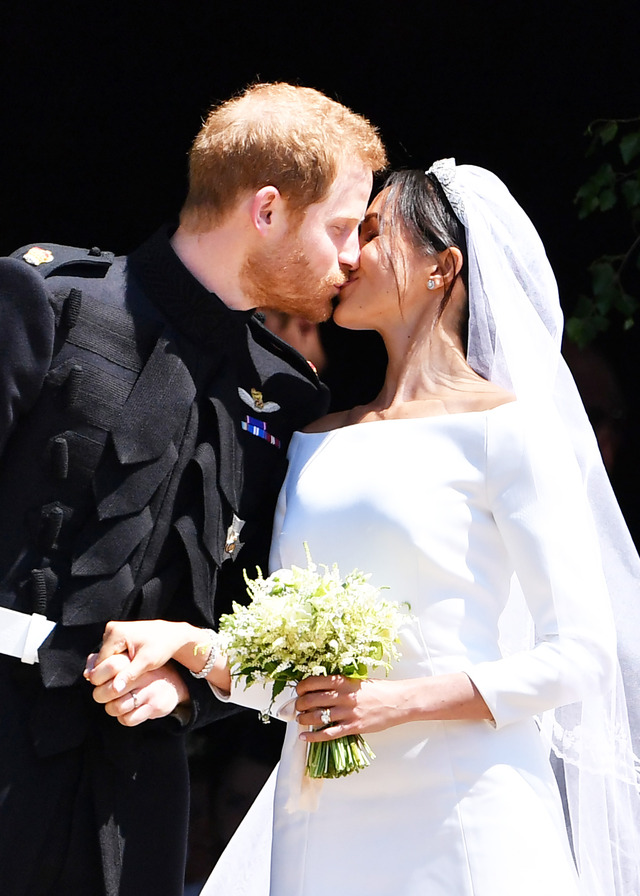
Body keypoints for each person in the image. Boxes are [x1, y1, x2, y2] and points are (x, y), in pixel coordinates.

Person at [87, 161, 640, 895]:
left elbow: (581, 657)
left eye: (372, 232)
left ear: (443, 267)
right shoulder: (316, 439)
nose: (347, 254)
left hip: (465, 812)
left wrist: (394, 702)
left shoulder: (507, 431)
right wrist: (188, 646)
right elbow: (293, 682)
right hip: (320, 818)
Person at [0, 81, 386, 896]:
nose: (355, 257)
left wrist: (185, 684)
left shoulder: (287, 399)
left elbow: (253, 615)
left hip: (135, 794)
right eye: (343, 227)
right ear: (268, 209)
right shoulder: (51, 299)